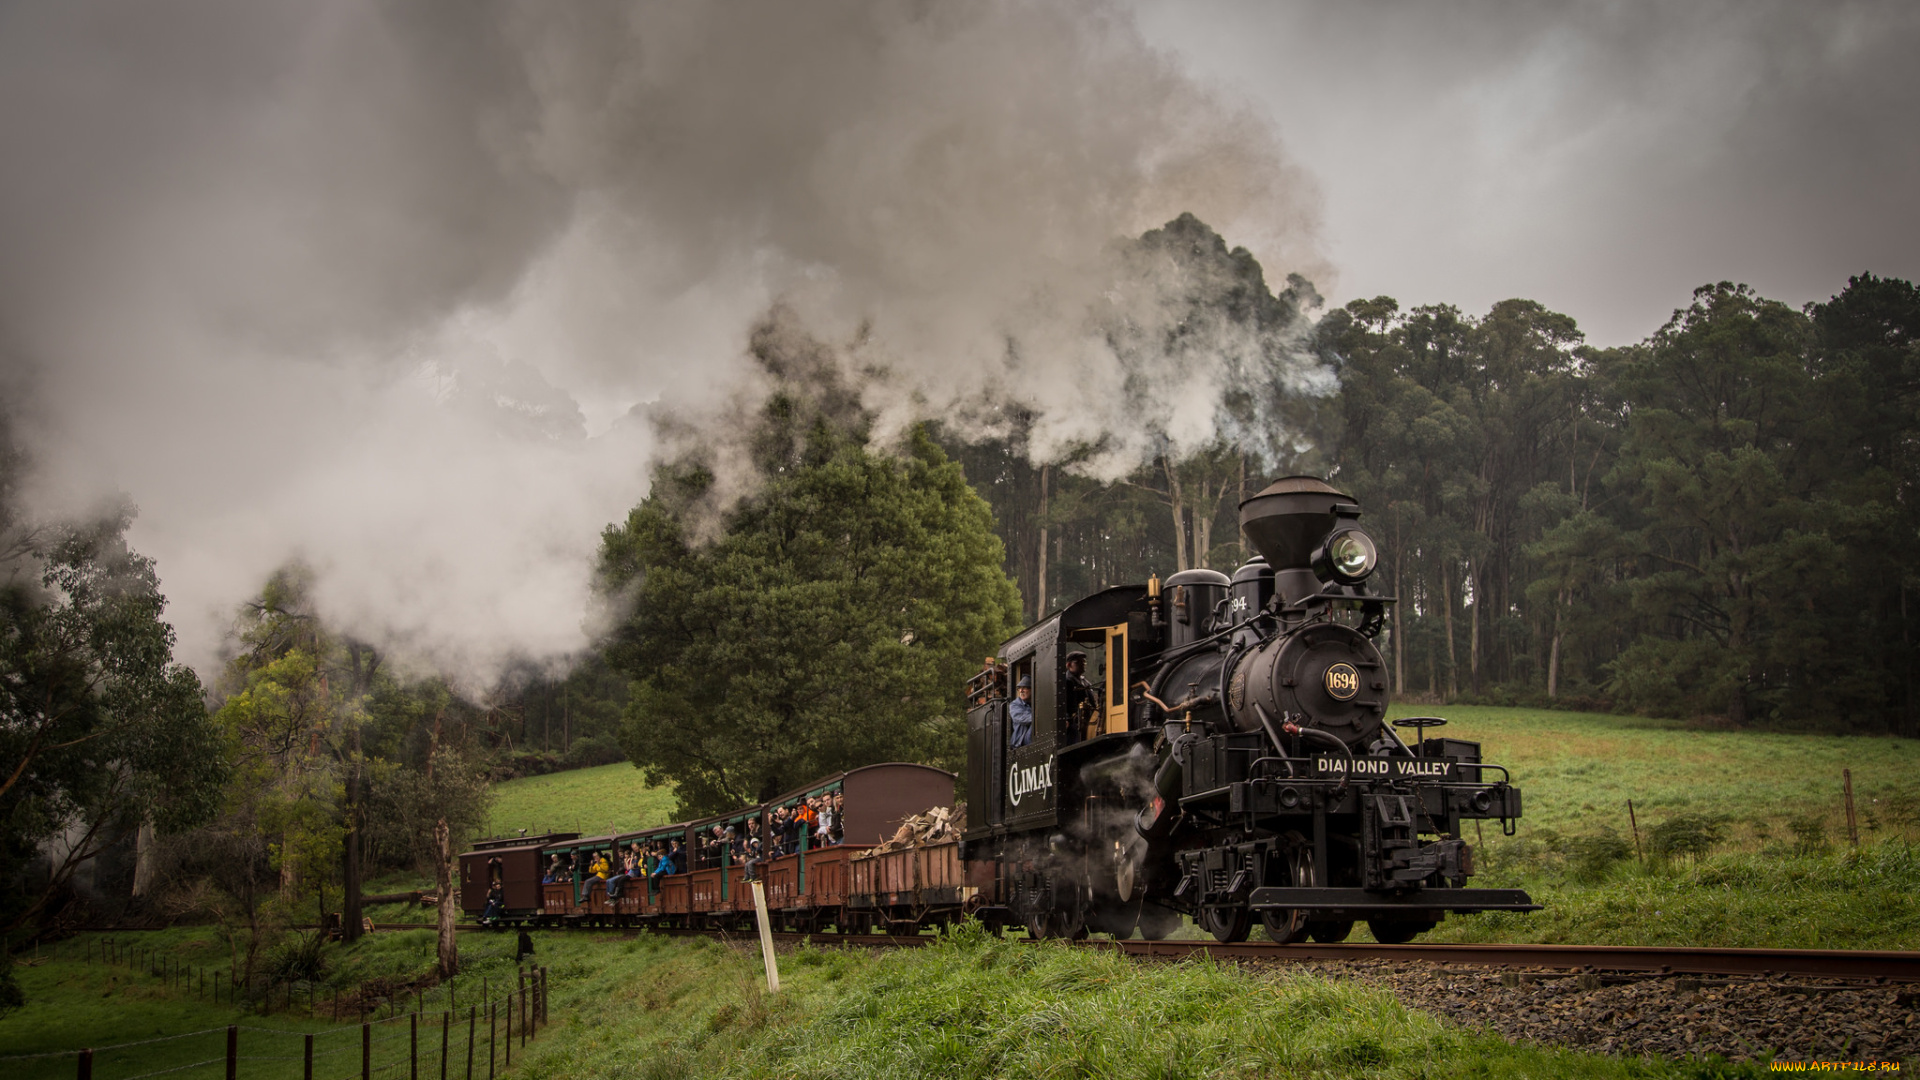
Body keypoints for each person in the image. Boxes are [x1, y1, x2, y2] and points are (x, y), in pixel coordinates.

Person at [1062, 650, 1096, 743]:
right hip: (1074, 721)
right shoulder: (1066, 681)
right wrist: (1066, 718)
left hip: (1088, 717)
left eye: (1084, 662)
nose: (1082, 664)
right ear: (1069, 665)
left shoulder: (1086, 682)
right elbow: (1062, 703)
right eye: (1078, 662)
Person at [1008, 674, 1034, 747]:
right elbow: (1024, 718)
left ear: (1032, 689)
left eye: (1024, 688)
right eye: (1019, 688)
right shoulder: (1014, 705)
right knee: (1035, 723)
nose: (1021, 691)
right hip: (1021, 740)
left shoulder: (1036, 703)